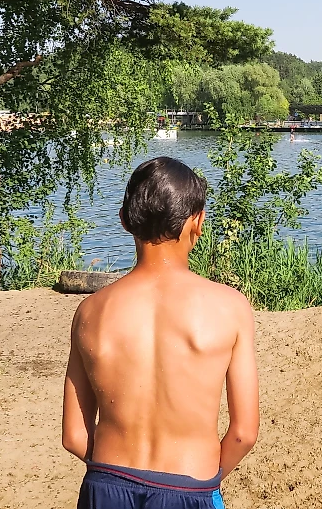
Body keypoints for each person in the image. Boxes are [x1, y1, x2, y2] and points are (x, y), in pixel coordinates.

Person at [63, 157, 259, 508]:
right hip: (189, 487)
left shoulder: (91, 311)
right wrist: (206, 480)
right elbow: (243, 433)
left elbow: (74, 435)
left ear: (124, 221)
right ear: (197, 221)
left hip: (106, 483)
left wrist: (119, 476)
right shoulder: (230, 307)